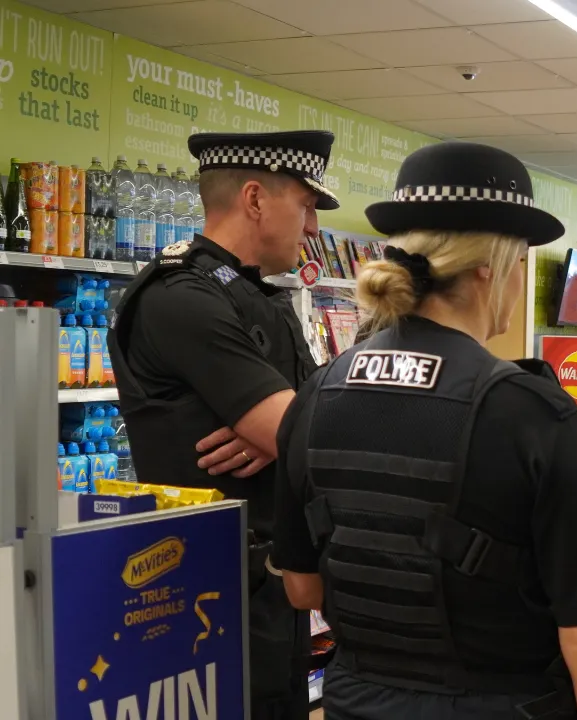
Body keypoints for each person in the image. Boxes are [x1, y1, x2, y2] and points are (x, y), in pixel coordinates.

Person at [270, 141, 577, 720]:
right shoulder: (529, 411)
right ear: (491, 265)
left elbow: (302, 590)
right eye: (522, 261)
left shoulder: (320, 391)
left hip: (356, 703)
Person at [108, 130, 340, 719]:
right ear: (256, 199)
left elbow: (306, 419)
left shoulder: (255, 296)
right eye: (307, 205)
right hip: (202, 589)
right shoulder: (181, 296)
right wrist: (286, 429)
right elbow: (316, 433)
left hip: (267, 581)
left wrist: (281, 430)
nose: (313, 227)